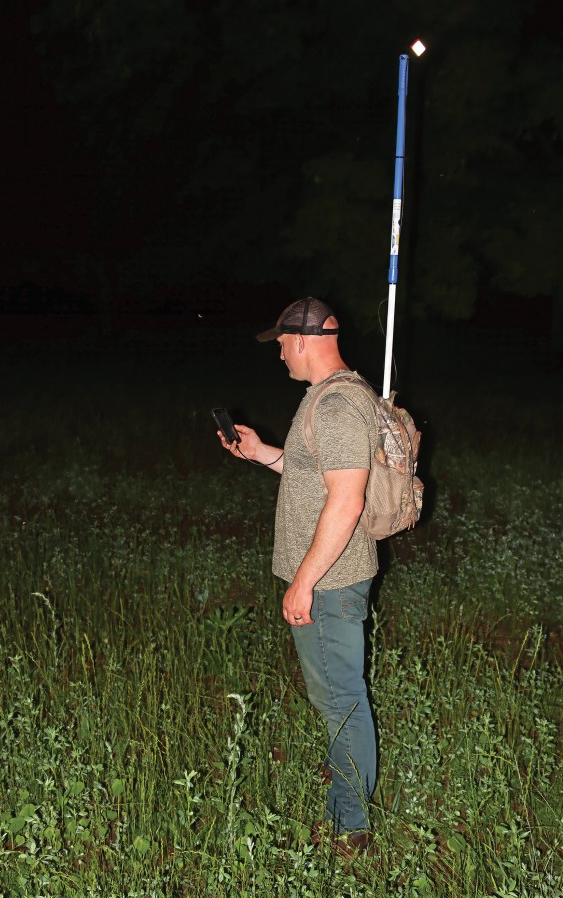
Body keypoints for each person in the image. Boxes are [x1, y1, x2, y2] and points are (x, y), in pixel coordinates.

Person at [217, 296, 378, 858]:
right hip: (327, 578)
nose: (280, 353)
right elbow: (317, 472)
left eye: (282, 342)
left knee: (341, 700)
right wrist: (262, 453)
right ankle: (344, 785)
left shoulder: (336, 406)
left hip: (331, 582)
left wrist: (304, 580)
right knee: (333, 696)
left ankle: (350, 830)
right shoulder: (324, 400)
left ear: (303, 339)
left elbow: (347, 500)